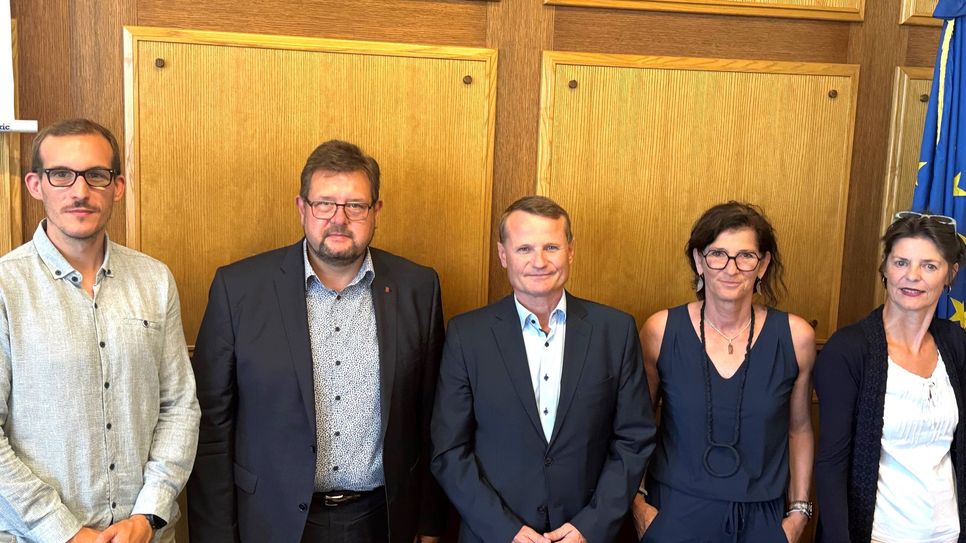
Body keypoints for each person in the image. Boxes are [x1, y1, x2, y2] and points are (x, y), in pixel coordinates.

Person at [187, 139, 446, 543]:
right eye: (324, 204)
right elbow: (212, 428)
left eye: (355, 206)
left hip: (383, 520)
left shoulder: (418, 288)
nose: (339, 219)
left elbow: (433, 418)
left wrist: (430, 524)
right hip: (271, 521)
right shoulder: (238, 289)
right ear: (302, 207)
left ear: (376, 210)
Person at [0, 118, 200, 543]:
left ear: (118, 186)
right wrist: (65, 532)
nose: (79, 191)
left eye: (96, 175)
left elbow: (180, 406)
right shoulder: (5, 288)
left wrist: (149, 514)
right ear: (35, 185)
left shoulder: (155, 280)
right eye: (61, 175)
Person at [431, 195, 656, 543]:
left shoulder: (615, 330)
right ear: (503, 255)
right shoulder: (466, 335)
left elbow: (634, 440)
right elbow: (449, 451)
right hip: (493, 536)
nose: (539, 261)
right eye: (524, 249)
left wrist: (590, 527)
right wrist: (507, 531)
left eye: (551, 246)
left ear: (570, 250)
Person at [632, 201, 816, 543]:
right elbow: (636, 427)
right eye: (718, 254)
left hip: (764, 518)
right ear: (700, 261)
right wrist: (638, 503)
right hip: (675, 513)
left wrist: (799, 514)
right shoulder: (660, 331)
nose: (731, 269)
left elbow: (799, 429)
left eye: (745, 256)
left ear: (762, 265)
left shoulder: (796, 337)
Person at [814, 211, 966, 543]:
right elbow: (831, 463)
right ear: (885, 268)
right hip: (879, 535)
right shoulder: (849, 350)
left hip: (949, 533)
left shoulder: (956, 344)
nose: (912, 276)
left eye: (929, 266)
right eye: (901, 263)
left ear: (950, 274)